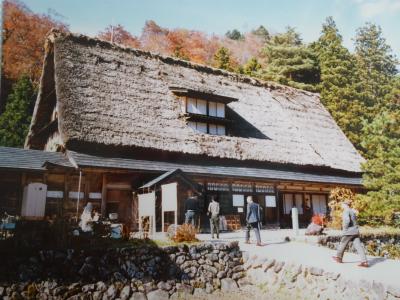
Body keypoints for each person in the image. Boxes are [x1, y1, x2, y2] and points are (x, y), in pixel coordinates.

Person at [332, 199, 368, 267]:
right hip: (355, 231)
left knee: (342, 243)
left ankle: (338, 258)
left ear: (345, 205)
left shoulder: (346, 211)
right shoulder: (352, 211)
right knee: (359, 246)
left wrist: (345, 229)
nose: (341, 205)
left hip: (348, 231)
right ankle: (364, 261)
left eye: (342, 204)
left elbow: (347, 221)